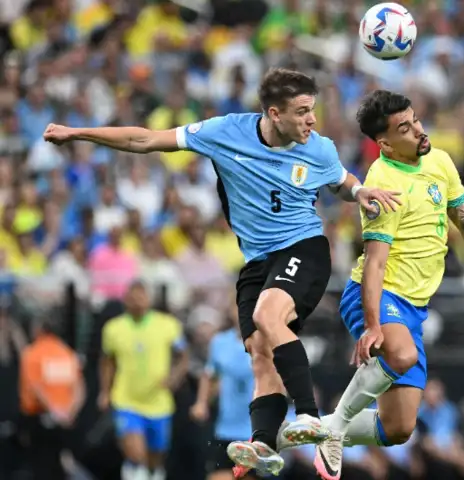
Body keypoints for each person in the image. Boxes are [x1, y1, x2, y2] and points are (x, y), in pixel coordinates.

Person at [43, 67, 401, 477]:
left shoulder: (318, 148)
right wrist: (77, 133)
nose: (312, 120)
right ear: (273, 113)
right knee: (258, 351)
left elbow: (340, 181)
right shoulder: (224, 132)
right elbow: (145, 139)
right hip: (257, 263)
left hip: (304, 248)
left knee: (269, 319)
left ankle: (309, 416)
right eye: (302, 111)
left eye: (313, 110)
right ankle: (265, 442)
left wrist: (359, 192)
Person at [279, 90, 464, 480]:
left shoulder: (441, 162)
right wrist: (371, 324)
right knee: (398, 355)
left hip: (414, 308)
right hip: (378, 294)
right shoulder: (382, 183)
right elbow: (374, 263)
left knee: (398, 429)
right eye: (405, 127)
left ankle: (297, 434)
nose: (418, 129)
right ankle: (333, 428)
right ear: (384, 142)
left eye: (415, 119)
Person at [98, 281, 189, 480]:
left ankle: (153, 474)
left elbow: (183, 356)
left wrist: (174, 377)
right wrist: (105, 391)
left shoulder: (167, 325)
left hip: (158, 402)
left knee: (155, 457)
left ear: (149, 299)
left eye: (141, 296)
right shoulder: (114, 328)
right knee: (136, 453)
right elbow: (107, 362)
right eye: (133, 297)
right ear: (126, 300)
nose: (138, 302)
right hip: (127, 400)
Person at [190, 302, 256, 480]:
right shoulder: (219, 342)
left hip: (254, 430)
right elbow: (209, 375)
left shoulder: (266, 341)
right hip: (225, 428)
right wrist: (201, 402)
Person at [19, 317, 85, 480]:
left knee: (42, 467)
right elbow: (79, 388)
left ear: (39, 330)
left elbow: (35, 387)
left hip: (41, 419)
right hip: (67, 420)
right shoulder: (67, 353)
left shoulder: (32, 353)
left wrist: (55, 412)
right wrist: (70, 412)